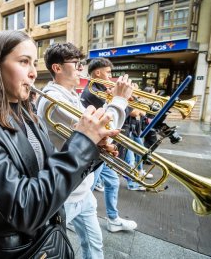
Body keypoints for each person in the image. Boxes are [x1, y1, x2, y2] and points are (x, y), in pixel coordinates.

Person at [0, 31, 120, 258]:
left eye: (33, 63)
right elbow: (23, 208)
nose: (33, 73)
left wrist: (93, 151)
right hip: (21, 250)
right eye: (23, 62)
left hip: (50, 236)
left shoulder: (26, 113)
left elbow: (51, 168)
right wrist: (81, 144)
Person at [37, 43, 132, 259]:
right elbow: (100, 129)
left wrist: (102, 144)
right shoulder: (53, 99)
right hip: (65, 195)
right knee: (49, 247)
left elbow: (91, 136)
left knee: (94, 245)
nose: (81, 68)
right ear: (57, 68)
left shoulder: (72, 95)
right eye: (76, 63)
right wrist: (119, 100)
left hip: (83, 188)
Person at [80, 57, 139, 232]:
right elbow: (110, 119)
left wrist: (122, 99)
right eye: (108, 72)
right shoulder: (93, 92)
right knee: (86, 188)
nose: (111, 76)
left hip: (102, 150)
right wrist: (123, 100)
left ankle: (113, 218)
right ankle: (69, 218)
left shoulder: (103, 90)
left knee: (112, 181)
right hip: (96, 149)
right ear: (97, 73)